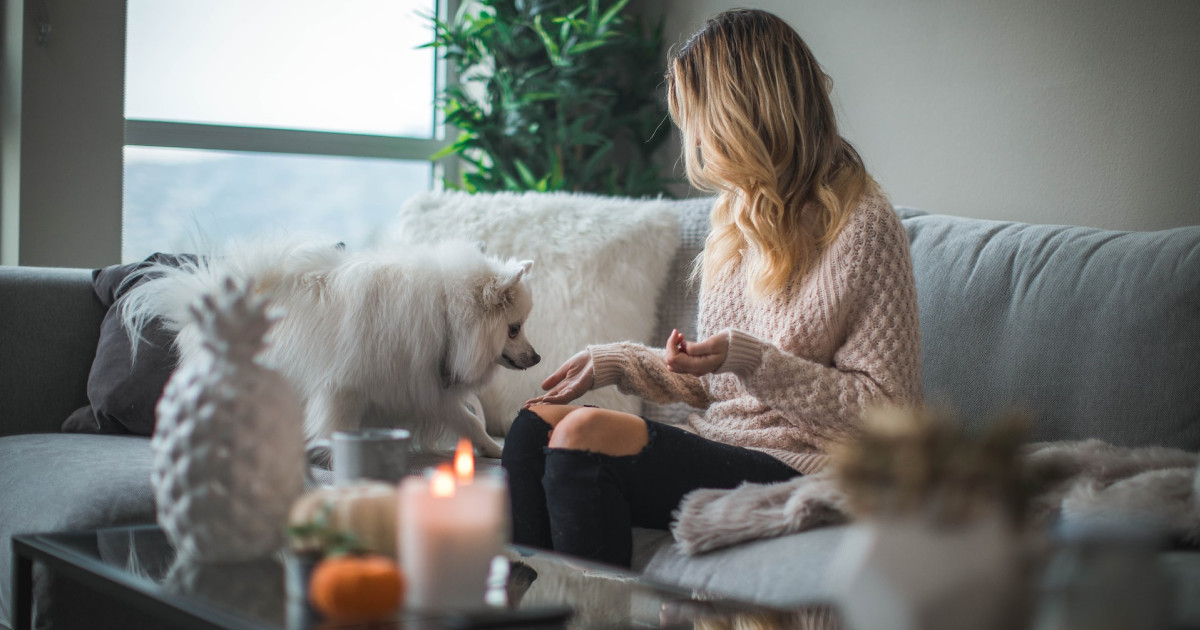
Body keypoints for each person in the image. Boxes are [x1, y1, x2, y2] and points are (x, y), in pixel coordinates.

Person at [500, 8, 923, 568]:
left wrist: (754, 361)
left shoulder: (863, 225)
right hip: (723, 441)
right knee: (533, 426)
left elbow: (888, 415)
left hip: (809, 462)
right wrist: (619, 362)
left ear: (742, 114)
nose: (692, 137)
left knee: (584, 435)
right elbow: (717, 384)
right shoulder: (736, 214)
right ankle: (527, 609)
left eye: (697, 117)